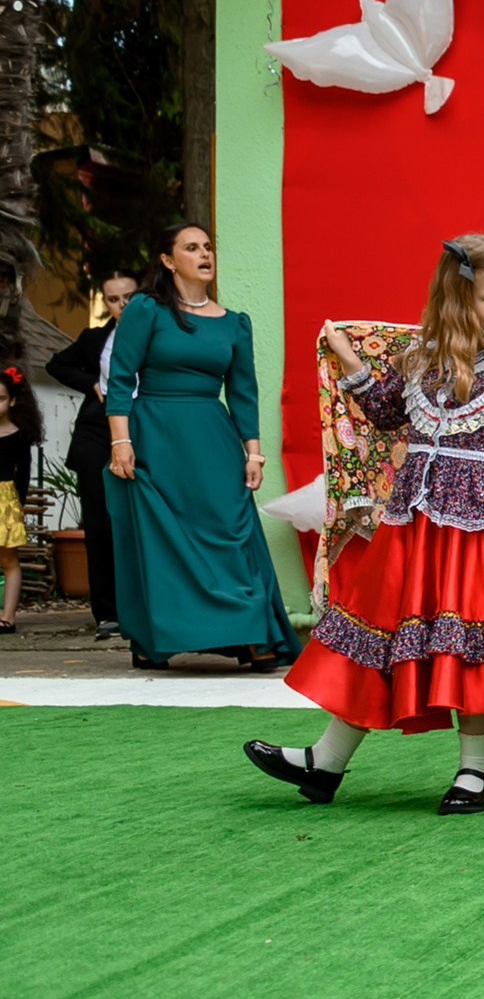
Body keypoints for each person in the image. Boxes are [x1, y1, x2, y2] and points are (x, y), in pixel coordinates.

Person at [246, 234, 484, 814]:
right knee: (381, 639)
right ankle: (326, 762)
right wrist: (352, 365)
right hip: (412, 526)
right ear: (456, 299)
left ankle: (476, 772)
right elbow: (388, 412)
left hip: (483, 532)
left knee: (472, 644)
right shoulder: (421, 360)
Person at [104, 223, 299, 671]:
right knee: (161, 538)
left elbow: (244, 394)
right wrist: (121, 440)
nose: (204, 254)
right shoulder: (146, 311)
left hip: (213, 437)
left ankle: (252, 634)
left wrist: (253, 451)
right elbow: (120, 379)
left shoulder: (234, 323)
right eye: (191, 248)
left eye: (208, 247)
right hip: (154, 435)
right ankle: (157, 639)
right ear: (169, 261)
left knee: (230, 531)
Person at [47, 269, 140, 639]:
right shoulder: (95, 338)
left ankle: (145, 608)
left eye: (128, 297)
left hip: (143, 432)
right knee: (100, 523)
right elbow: (56, 364)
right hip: (95, 436)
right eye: (113, 299)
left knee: (139, 521)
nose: (121, 306)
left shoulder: (158, 334)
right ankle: (108, 615)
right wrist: (91, 384)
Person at [0, 365, 40, 632]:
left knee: (8, 560)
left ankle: (8, 616)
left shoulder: (19, 436)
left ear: (12, 400)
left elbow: (23, 475)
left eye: (0, 398)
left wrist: (19, 507)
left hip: (5, 501)